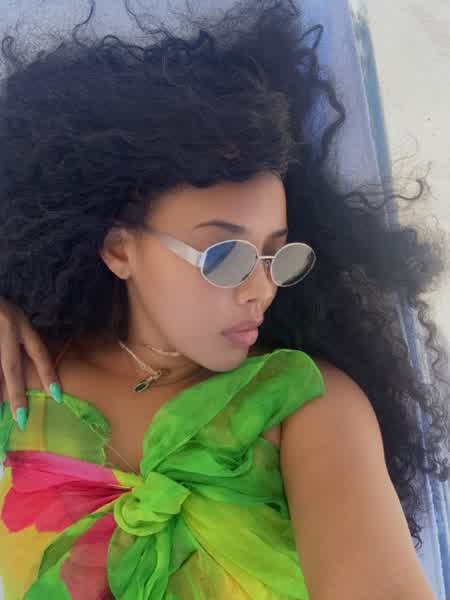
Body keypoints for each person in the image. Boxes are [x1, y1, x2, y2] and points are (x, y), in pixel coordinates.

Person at [0, 0, 447, 597]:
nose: (261, 288)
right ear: (119, 250)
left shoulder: (305, 407)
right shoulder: (22, 377)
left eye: (277, 255)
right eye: (225, 256)